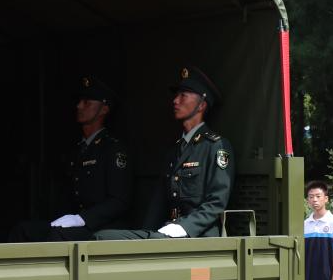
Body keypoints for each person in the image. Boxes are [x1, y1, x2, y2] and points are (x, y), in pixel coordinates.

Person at [96, 66, 233, 241]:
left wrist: (185, 227)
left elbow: (217, 202)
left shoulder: (216, 146)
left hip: (198, 237)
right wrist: (143, 240)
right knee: (102, 237)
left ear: (201, 105)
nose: (175, 101)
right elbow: (158, 204)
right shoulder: (174, 150)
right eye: (176, 96)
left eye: (183, 96)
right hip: (168, 233)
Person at [10, 77, 131, 241]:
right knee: (23, 230)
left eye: (87, 102)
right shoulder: (78, 149)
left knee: (57, 236)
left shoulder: (113, 149)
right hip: (75, 223)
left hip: (101, 226)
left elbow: (119, 201)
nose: (79, 106)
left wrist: (82, 219)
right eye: (80, 101)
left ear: (104, 109)